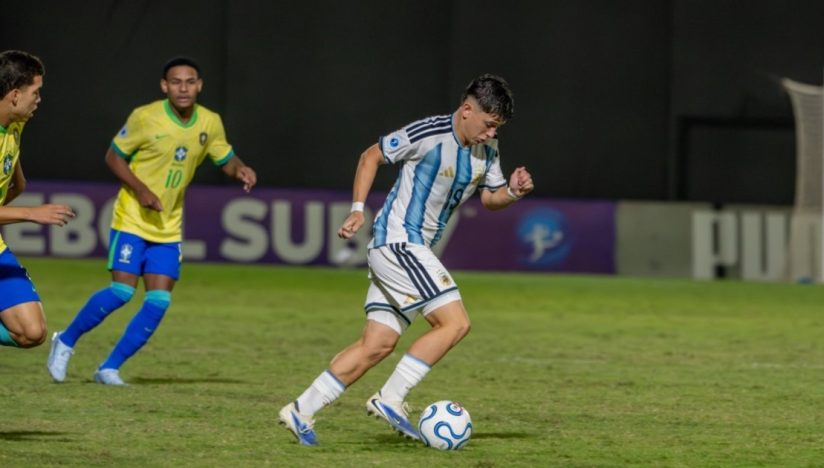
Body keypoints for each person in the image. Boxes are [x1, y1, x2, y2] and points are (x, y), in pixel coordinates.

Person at [278, 74, 534, 445]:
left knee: (377, 345)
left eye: (498, 128)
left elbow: (491, 198)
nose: (492, 134)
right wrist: (357, 210)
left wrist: (512, 190)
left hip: (411, 251)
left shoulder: (487, 152)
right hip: (399, 242)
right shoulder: (429, 132)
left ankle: (300, 410)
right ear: (467, 111)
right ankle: (391, 397)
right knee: (455, 323)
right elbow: (371, 156)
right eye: (490, 124)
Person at [46, 56, 257, 385]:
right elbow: (113, 156)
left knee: (159, 300)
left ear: (199, 85)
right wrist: (141, 190)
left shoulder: (210, 122)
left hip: (168, 226)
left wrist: (240, 169)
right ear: (164, 86)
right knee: (121, 292)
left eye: (190, 81)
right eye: (176, 82)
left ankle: (109, 368)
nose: (183, 88)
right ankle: (66, 340)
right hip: (132, 217)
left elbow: (224, 157)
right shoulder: (145, 117)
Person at [0, 50, 75, 349]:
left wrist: (18, 182)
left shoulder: (15, 122)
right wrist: (31, 213)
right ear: (16, 95)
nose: (39, 100)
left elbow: (9, 155)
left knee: (31, 332)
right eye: (36, 92)